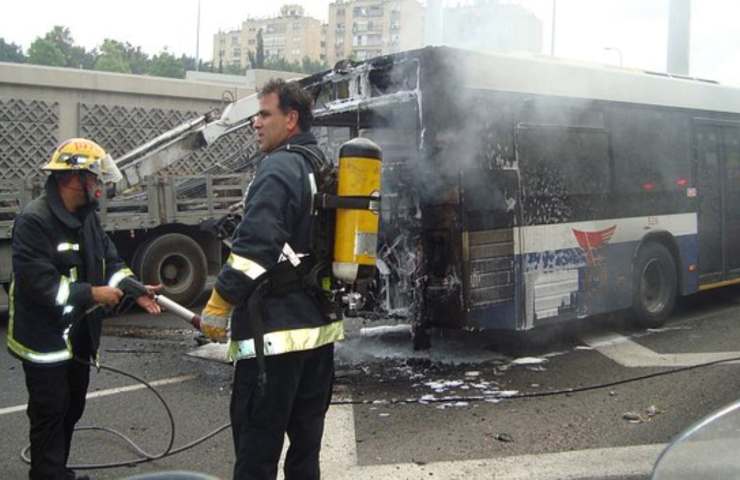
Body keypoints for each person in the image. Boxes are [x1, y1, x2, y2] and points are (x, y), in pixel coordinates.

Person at [200, 79, 343, 480]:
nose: (256, 124)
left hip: (274, 339)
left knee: (256, 453)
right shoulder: (320, 164)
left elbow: (255, 246)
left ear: (291, 119)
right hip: (320, 333)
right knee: (305, 455)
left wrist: (220, 302)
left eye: (264, 114)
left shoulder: (279, 166)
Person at [7, 138, 161, 480]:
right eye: (96, 179)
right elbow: (43, 286)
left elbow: (111, 261)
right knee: (50, 411)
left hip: (77, 338)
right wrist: (94, 294)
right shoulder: (34, 222)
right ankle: (49, 474)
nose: (101, 187)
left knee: (72, 407)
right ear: (73, 179)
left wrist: (132, 288)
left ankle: (55, 468)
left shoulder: (86, 217)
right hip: (44, 342)